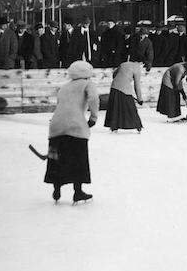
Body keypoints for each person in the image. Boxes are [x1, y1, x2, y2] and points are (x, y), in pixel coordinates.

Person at [44, 60, 99, 204]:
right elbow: (94, 99)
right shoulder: (87, 83)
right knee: (78, 158)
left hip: (56, 125)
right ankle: (78, 192)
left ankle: (57, 190)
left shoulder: (64, 87)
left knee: (57, 158)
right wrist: (93, 117)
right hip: (75, 125)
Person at [104, 61, 144, 133]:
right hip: (125, 89)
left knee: (115, 107)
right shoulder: (137, 68)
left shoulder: (123, 64)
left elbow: (114, 74)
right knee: (130, 108)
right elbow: (137, 86)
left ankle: (114, 126)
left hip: (114, 87)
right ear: (141, 63)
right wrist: (140, 99)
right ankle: (137, 125)